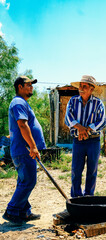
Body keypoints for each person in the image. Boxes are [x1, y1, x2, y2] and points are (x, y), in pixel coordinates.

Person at [2, 76, 46, 225]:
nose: (31, 87)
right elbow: (22, 125)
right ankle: (12, 211)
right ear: (20, 87)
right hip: (24, 150)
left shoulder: (21, 102)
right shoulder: (18, 102)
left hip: (23, 150)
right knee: (28, 181)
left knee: (24, 181)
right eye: (28, 85)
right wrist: (33, 146)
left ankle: (24, 212)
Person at [65, 75, 106, 197]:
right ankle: (76, 197)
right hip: (78, 141)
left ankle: (88, 196)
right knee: (76, 170)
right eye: (80, 86)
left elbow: (102, 121)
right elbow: (68, 118)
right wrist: (80, 128)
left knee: (92, 170)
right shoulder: (72, 101)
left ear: (91, 89)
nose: (81, 88)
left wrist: (86, 130)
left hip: (93, 141)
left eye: (84, 86)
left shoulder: (98, 103)